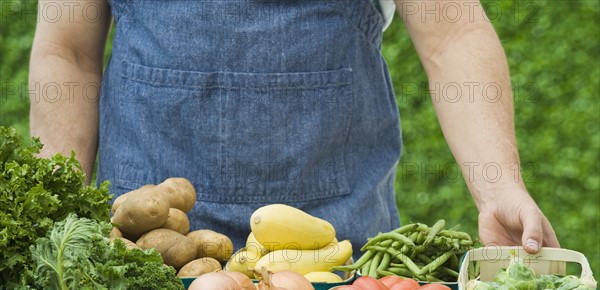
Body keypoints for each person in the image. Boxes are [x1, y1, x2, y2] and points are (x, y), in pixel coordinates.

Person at [29, 0, 559, 255]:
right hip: (141, 261)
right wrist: (53, 216)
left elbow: (454, 32)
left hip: (332, 274)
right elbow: (67, 51)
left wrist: (499, 189)